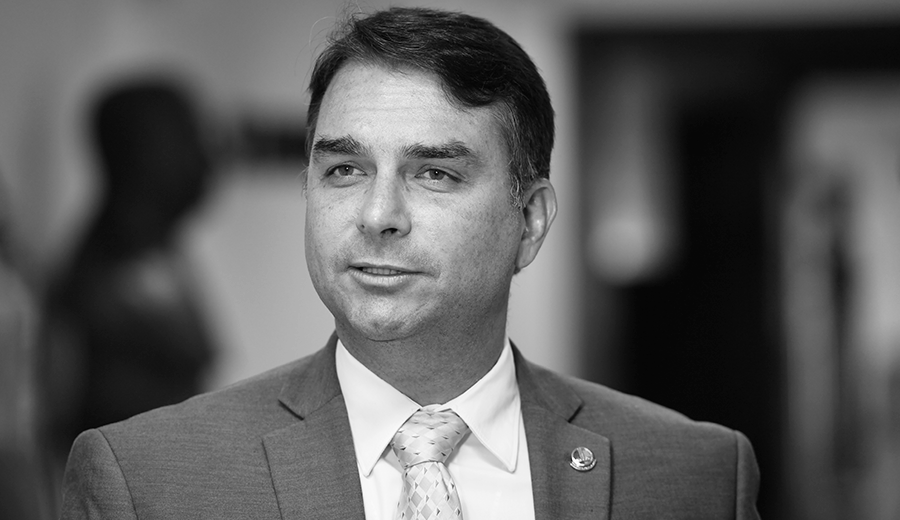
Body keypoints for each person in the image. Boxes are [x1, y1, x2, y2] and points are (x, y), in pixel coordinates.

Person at [60, 7, 761, 519]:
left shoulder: (696, 477)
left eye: (434, 174)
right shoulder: (146, 483)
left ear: (530, 221)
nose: (378, 214)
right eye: (344, 169)